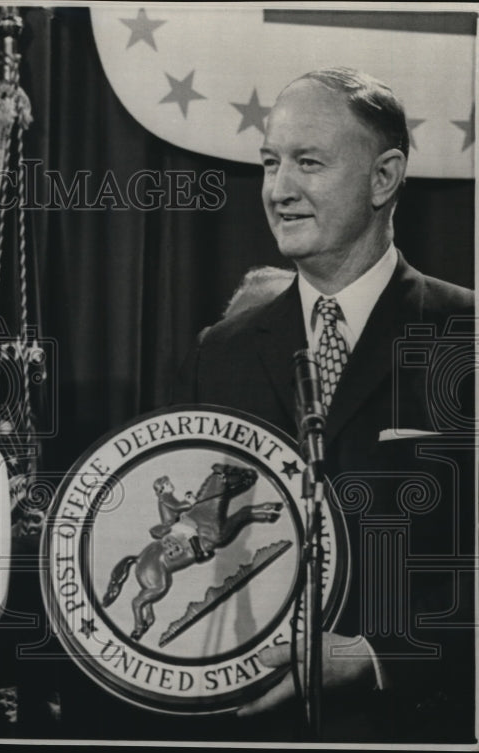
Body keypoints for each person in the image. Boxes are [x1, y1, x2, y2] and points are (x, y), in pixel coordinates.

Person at [173, 68, 475, 742]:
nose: (280, 190)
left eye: (308, 162)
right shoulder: (219, 352)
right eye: (270, 163)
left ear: (384, 176)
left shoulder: (467, 336)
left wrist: (374, 655)